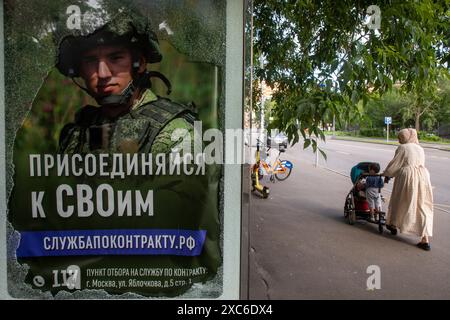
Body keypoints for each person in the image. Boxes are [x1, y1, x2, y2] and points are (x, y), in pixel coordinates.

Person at [56, 18, 196, 154]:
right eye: (91, 60)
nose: (103, 73)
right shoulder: (76, 134)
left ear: (140, 63)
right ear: (79, 70)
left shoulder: (174, 131)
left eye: (115, 58)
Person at [382, 128, 434, 251]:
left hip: (407, 177)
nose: (399, 140)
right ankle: (425, 239)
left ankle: (392, 224)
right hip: (423, 177)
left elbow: (395, 165)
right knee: (422, 205)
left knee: (399, 201)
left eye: (400, 138)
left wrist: (386, 175)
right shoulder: (420, 148)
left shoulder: (403, 148)